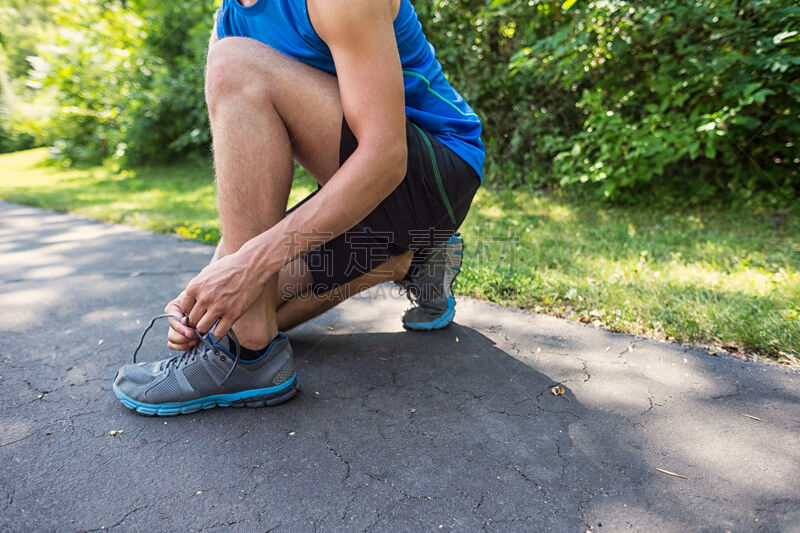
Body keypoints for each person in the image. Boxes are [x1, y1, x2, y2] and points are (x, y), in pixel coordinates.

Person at [112, 0, 484, 416]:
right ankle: (408, 261)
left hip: (433, 175)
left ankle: (249, 355)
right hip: (367, 192)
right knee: (241, 315)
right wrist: (205, 292)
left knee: (232, 64)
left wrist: (249, 265)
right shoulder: (231, 17)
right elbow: (248, 192)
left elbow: (386, 157)